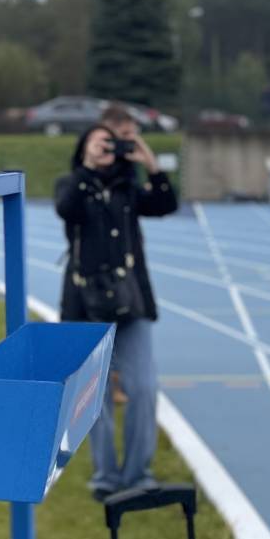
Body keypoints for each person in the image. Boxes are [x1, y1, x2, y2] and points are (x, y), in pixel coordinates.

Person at [55, 104, 176, 500]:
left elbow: (166, 204)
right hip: (84, 305)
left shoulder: (127, 188)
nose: (106, 148)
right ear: (83, 149)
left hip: (131, 301)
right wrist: (87, 166)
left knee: (144, 387)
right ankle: (105, 476)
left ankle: (138, 474)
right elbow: (67, 208)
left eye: (110, 144)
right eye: (98, 142)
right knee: (95, 394)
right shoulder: (71, 184)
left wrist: (150, 165)